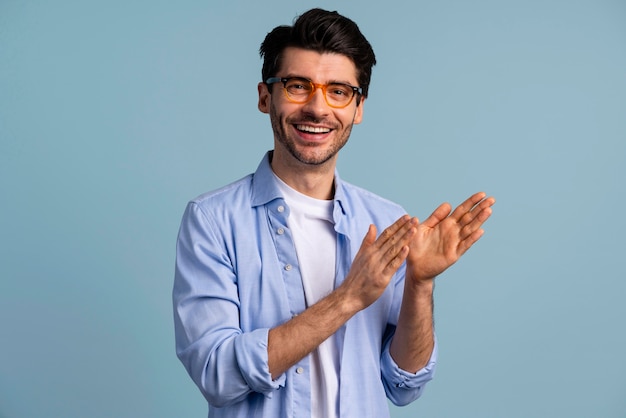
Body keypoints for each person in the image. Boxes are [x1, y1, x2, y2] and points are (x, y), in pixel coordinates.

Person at [173, 8, 495, 418]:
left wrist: (419, 283)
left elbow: (404, 383)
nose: (318, 108)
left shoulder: (386, 222)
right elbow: (216, 373)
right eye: (297, 86)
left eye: (338, 91)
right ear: (264, 96)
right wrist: (347, 299)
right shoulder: (212, 221)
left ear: (358, 108)